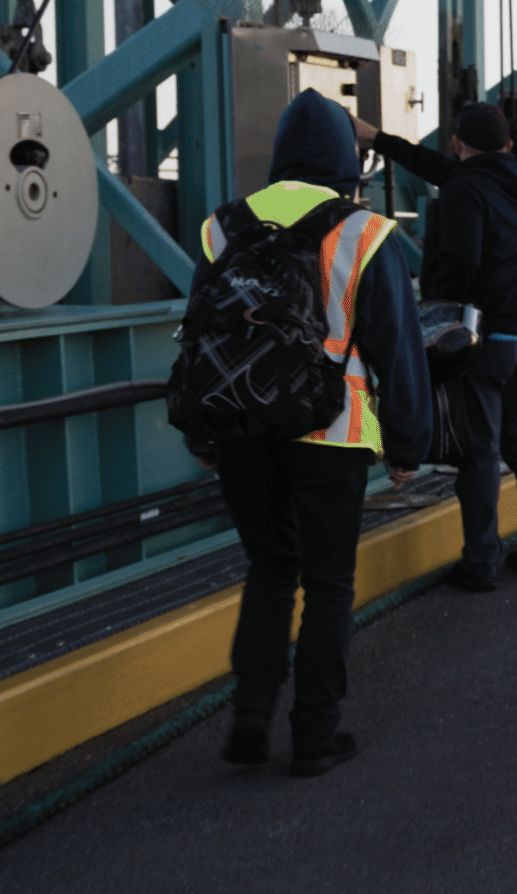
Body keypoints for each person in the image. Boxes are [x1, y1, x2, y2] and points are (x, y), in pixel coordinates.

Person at [186, 89, 431, 777]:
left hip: (240, 432)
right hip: (332, 435)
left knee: (270, 570)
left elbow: (201, 335)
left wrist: (205, 434)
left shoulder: (223, 227)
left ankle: (252, 715)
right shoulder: (365, 231)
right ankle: (315, 735)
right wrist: (410, 445)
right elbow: (398, 348)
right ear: (344, 159)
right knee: (328, 585)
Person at [355, 103, 517, 592]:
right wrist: (379, 140)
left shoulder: (466, 190)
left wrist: (435, 303)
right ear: (508, 146)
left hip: (490, 339)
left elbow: (461, 259)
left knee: (480, 451)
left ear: (456, 143)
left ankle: (480, 562)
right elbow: (447, 174)